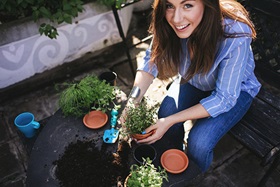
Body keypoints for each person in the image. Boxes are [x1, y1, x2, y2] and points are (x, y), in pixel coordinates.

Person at [121, 0, 261, 173]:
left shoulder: (235, 32)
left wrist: (170, 121)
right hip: (194, 80)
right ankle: (173, 162)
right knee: (165, 112)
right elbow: (152, 59)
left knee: (198, 143)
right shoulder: (165, 20)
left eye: (187, 5)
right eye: (169, 6)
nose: (177, 19)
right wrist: (132, 102)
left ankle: (193, 177)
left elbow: (224, 98)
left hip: (236, 91)